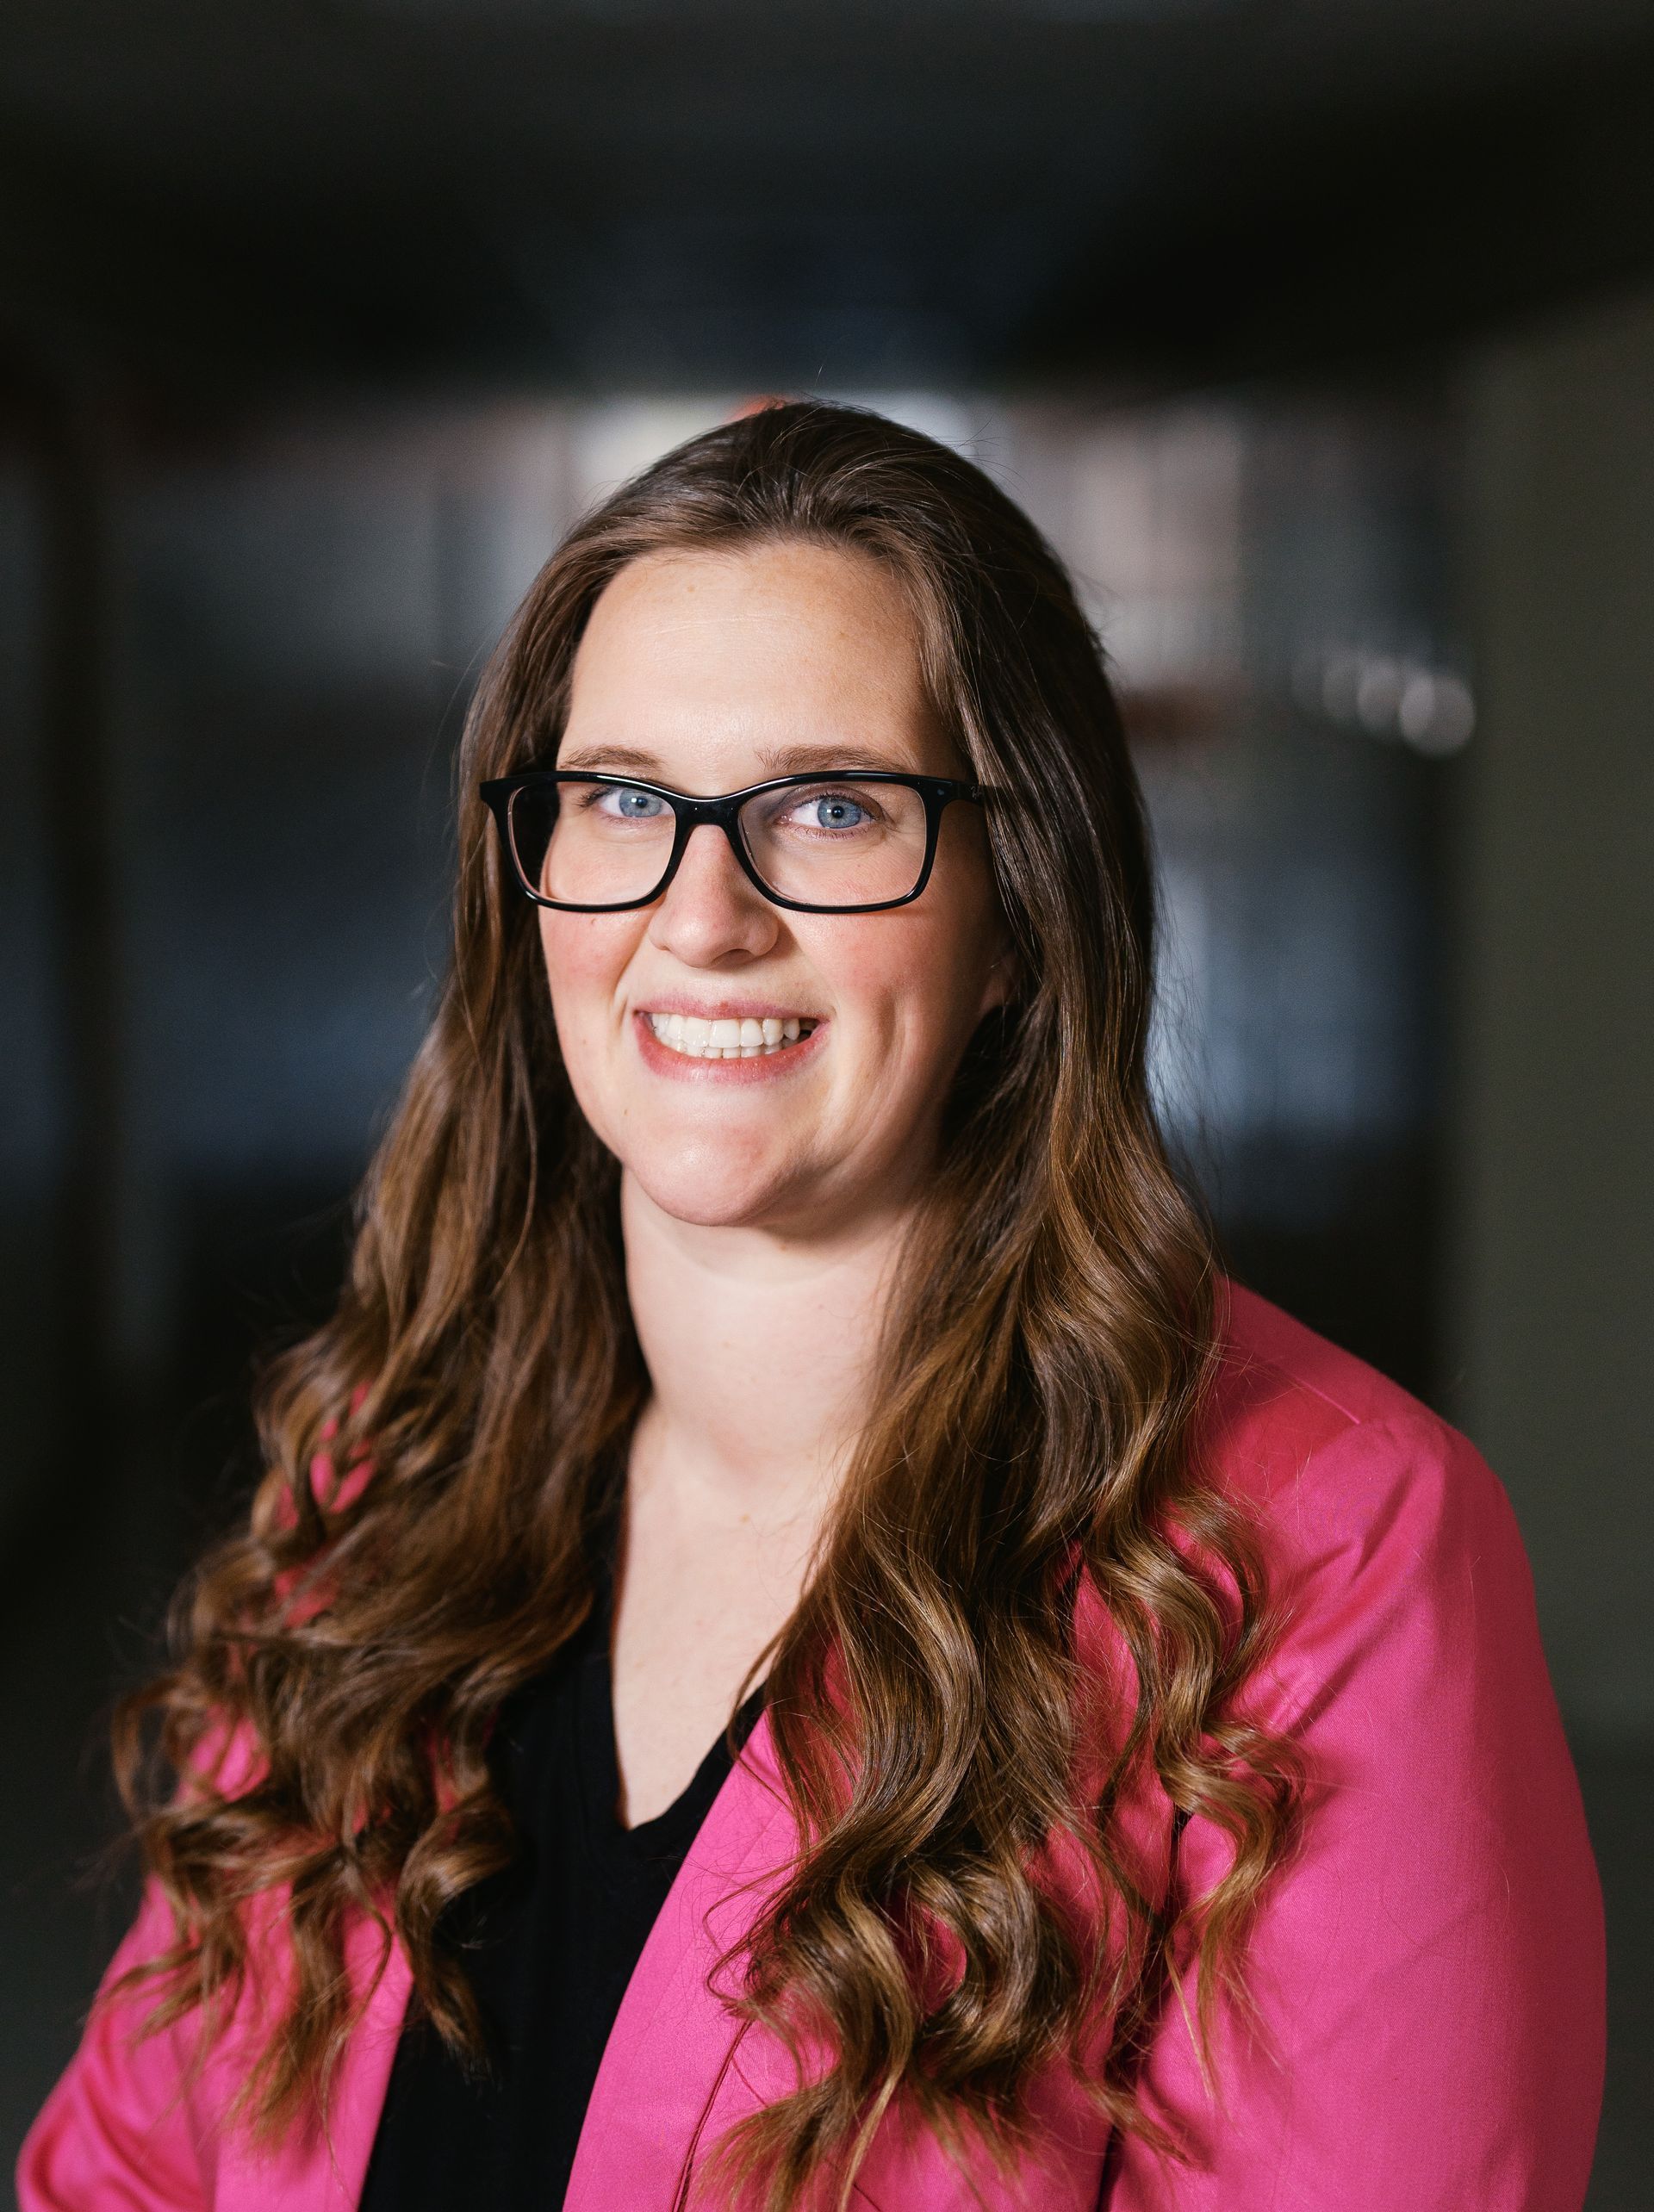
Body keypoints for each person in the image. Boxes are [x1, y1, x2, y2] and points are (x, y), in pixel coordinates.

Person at [19, 401, 1604, 2212]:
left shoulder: (1326, 1560)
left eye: (831, 809)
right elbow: (132, 2166)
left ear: (1020, 913)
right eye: (621, 798)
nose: (701, 917)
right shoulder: (390, 1477)